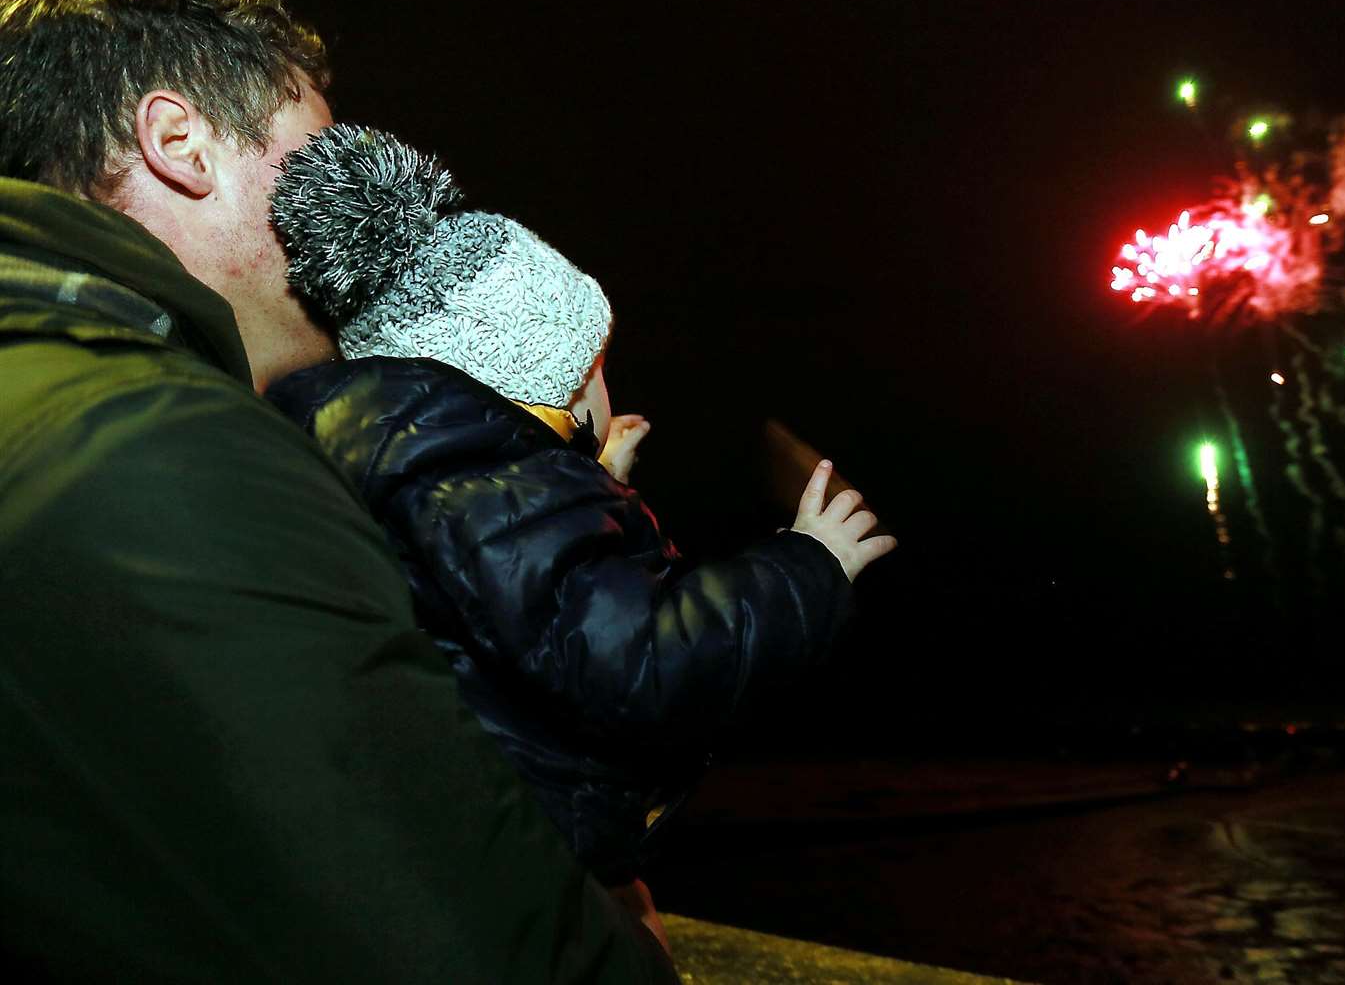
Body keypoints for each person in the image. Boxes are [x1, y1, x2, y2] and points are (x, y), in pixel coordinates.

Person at [0, 0, 677, 981]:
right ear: (180, 141)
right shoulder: (170, 452)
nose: (356, 219)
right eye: (315, 158)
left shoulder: (44, 387)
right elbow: (465, 942)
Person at [263, 124, 898, 896]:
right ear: (545, 375)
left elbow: (507, 578)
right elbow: (638, 655)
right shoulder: (488, 478)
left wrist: (586, 478)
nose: (605, 386)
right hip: (525, 861)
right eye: (594, 363)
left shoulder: (409, 455)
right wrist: (808, 563)